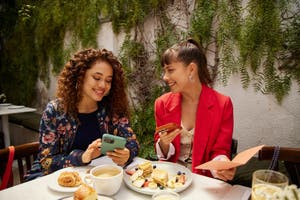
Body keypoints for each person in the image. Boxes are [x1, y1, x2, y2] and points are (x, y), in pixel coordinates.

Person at [25, 48, 139, 180]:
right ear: (80, 76)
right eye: (97, 78)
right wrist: (83, 157)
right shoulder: (55, 111)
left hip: (95, 179)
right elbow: (46, 162)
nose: (103, 85)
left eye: (108, 80)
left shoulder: (112, 107)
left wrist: (127, 153)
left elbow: (132, 142)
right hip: (52, 181)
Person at [154, 38, 236, 181]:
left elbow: (220, 150)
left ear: (191, 69)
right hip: (170, 181)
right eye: (164, 71)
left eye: (170, 70)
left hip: (204, 182)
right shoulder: (162, 104)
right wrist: (164, 143)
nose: (165, 77)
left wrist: (222, 165)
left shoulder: (223, 104)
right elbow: (161, 150)